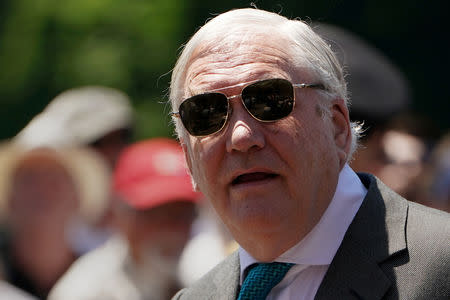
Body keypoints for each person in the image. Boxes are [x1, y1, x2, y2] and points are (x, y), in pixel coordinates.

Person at [168, 8, 450, 300]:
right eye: (206, 114)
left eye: (269, 100)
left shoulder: (441, 263)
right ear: (189, 158)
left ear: (337, 126)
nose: (241, 138)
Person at [48, 138, 202, 300]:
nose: (173, 230)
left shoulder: (205, 273)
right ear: (121, 215)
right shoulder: (85, 292)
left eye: (184, 214)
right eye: (157, 215)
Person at [0, 144, 110, 299]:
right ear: (9, 197)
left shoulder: (107, 274)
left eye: (55, 179)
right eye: (29, 179)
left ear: (78, 198)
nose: (42, 191)